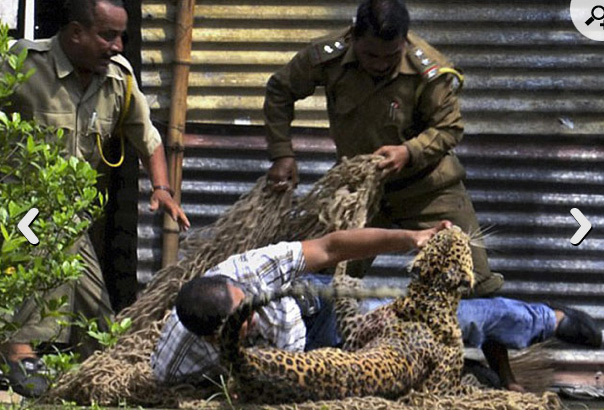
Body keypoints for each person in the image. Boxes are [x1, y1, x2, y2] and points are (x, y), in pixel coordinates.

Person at [0, 0, 190, 397]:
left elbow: (148, 138)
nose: (117, 45)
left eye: (121, 36)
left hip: (69, 212)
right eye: (108, 35)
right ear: (75, 33)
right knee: (33, 248)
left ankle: (95, 372)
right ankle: (17, 353)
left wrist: (162, 188)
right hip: (20, 208)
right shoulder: (22, 63)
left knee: (96, 315)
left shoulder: (118, 79)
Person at [262, 0, 503, 296]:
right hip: (359, 192)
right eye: (370, 54)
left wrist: (409, 152)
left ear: (404, 41)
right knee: (321, 279)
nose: (379, 63)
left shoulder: (428, 70)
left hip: (427, 189)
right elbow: (279, 90)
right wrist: (282, 153)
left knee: (474, 281)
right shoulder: (327, 57)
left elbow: (449, 128)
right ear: (354, 36)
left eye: (390, 55)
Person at [151, 222, 452, 385]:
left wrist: (412, 238)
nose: (253, 315)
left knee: (405, 321)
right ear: (212, 337)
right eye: (242, 317)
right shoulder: (176, 362)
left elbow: (330, 247)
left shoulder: (249, 272)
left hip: (311, 310)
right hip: (276, 359)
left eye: (249, 305)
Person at [360, 297, 602, 392]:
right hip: (423, 323)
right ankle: (558, 320)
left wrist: (508, 381)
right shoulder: (526, 322)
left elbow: (494, 338)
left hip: (424, 325)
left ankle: (558, 320)